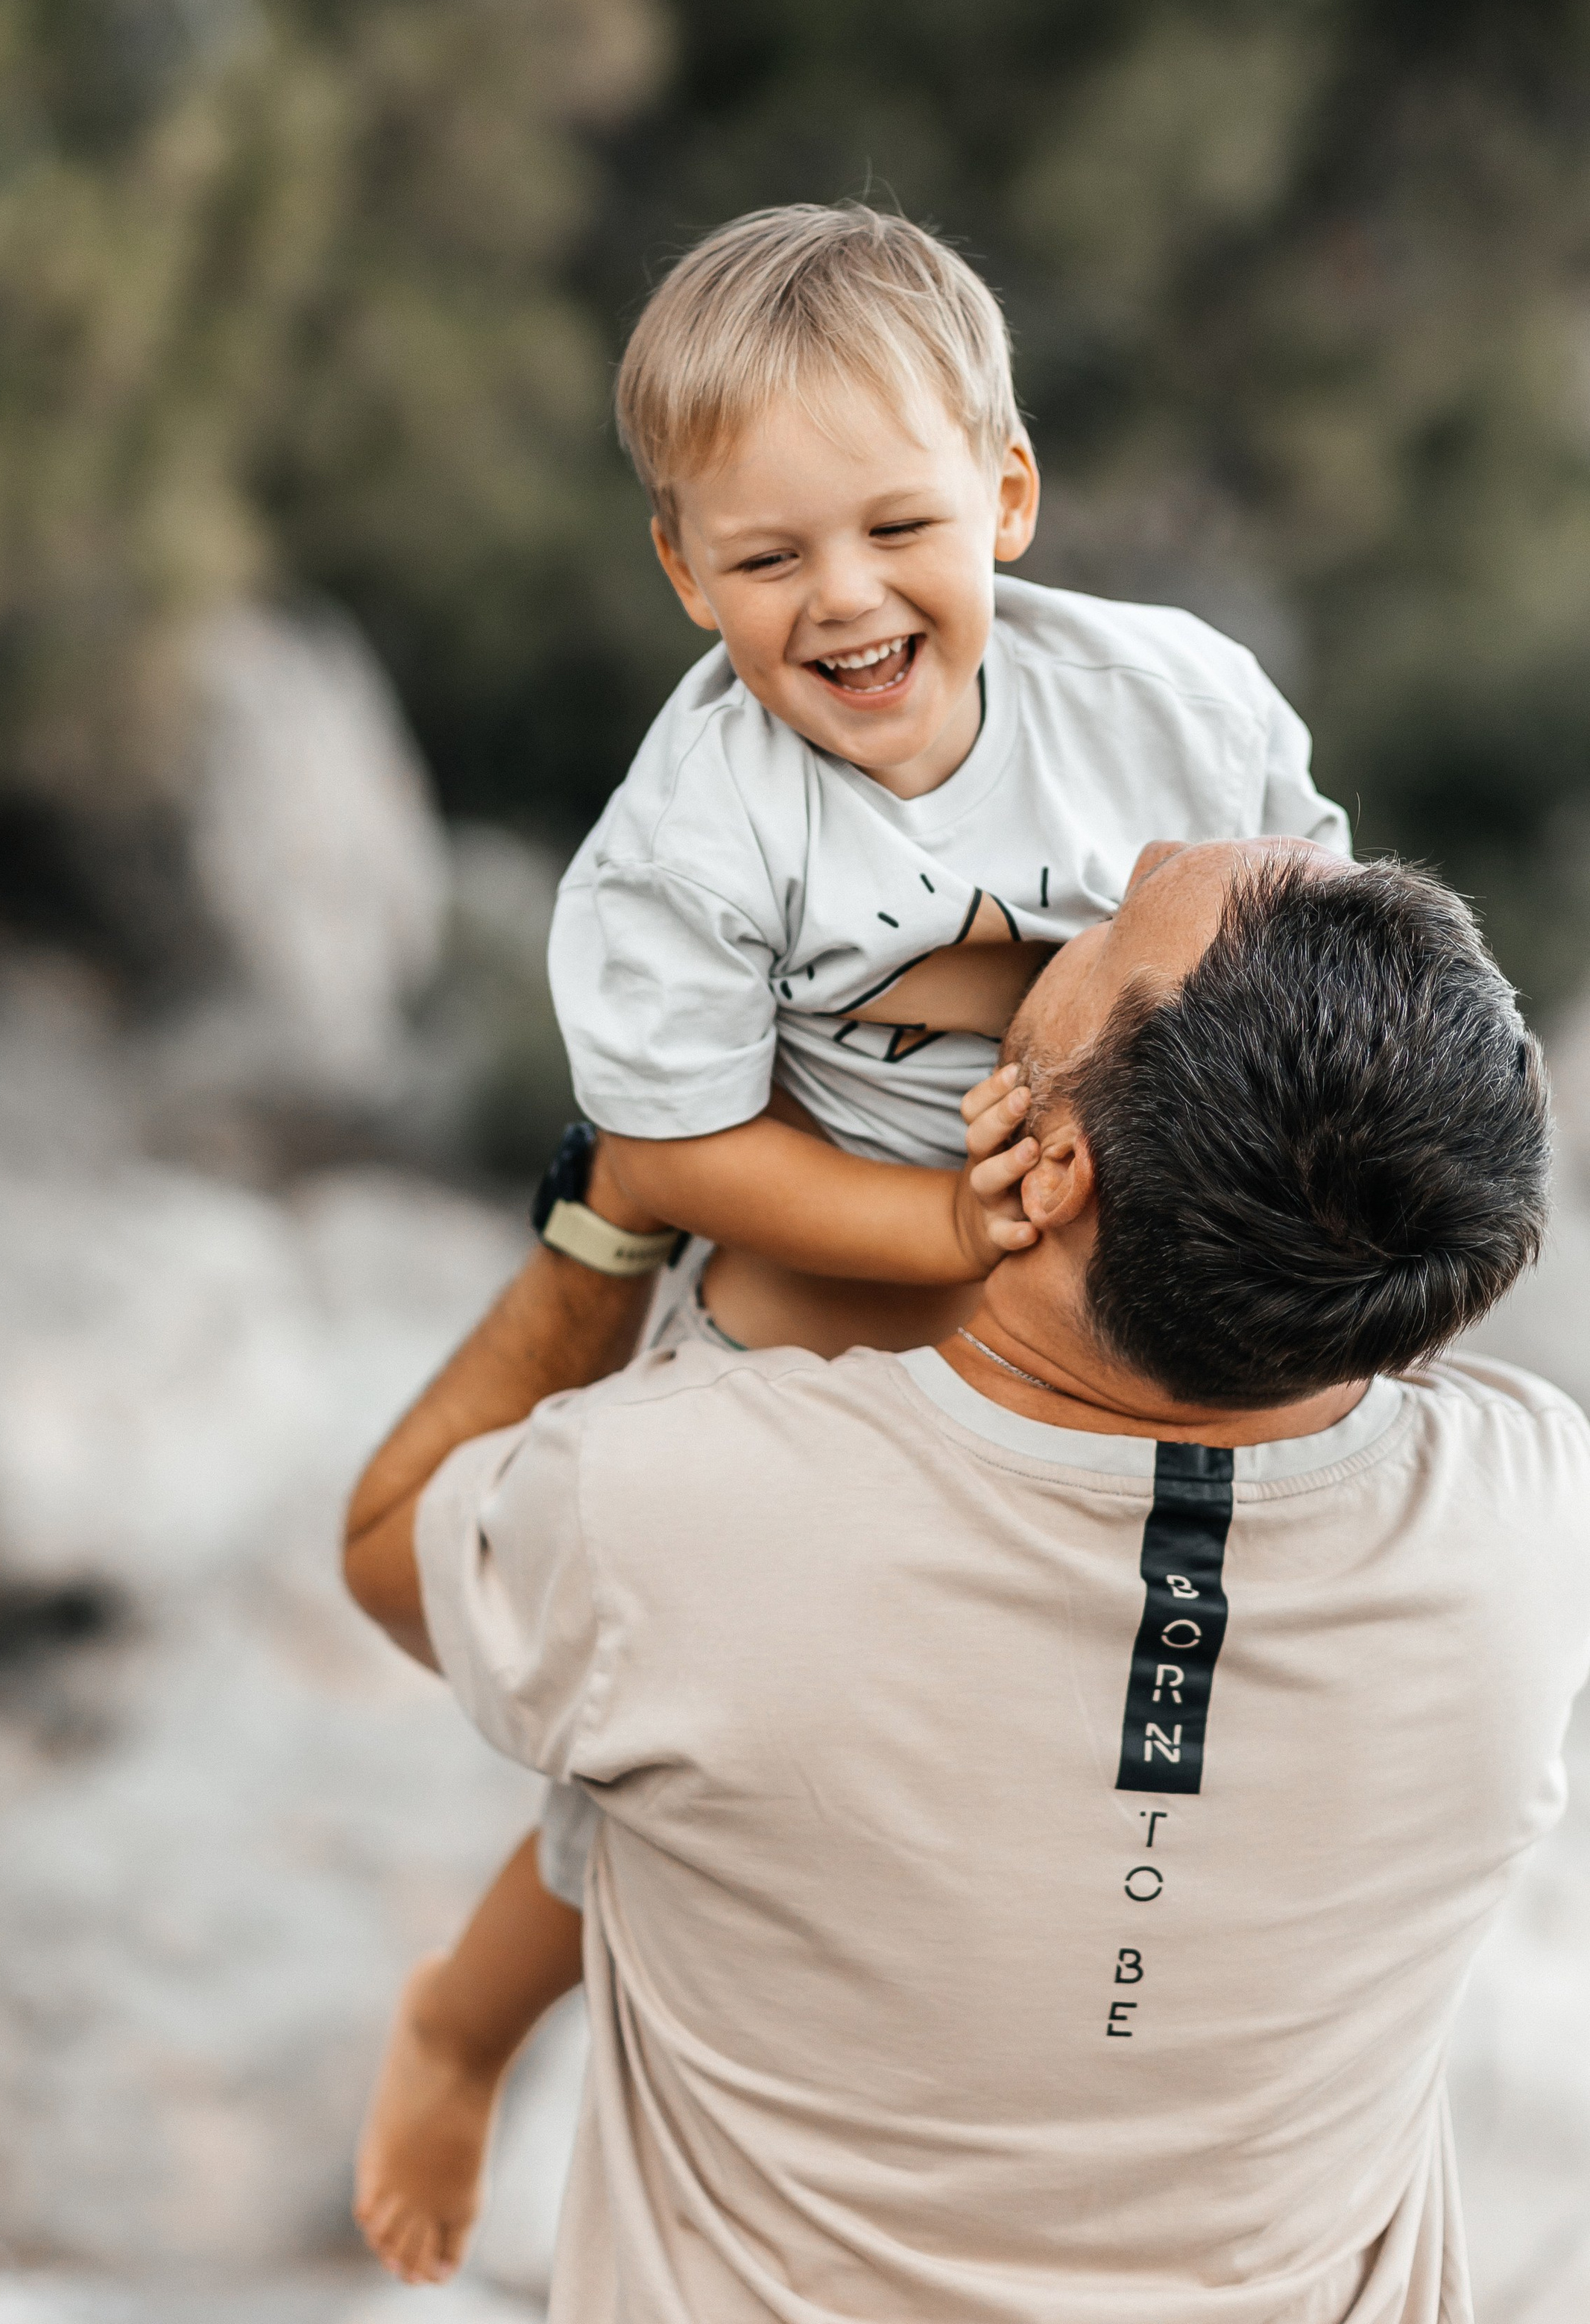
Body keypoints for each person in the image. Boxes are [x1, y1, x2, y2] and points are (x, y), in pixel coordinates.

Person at [352, 200, 1350, 2280]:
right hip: (814, 1315)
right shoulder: (690, 836)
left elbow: (1304, 954)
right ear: (678, 568)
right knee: (653, 1772)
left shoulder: (1170, 705)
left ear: (1008, 494)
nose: (844, 599)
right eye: (765, 559)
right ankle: (463, 2027)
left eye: (899, 527)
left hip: (1112, 1302)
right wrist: (932, 1228)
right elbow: (679, 1153)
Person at [344, 838, 1589, 2321]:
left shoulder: (693, 1505)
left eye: (1120, 921)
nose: (1141, 852)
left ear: (1054, 1170)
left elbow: (393, 1544)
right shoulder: (1530, 1525)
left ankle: (455, 2043)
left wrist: (617, 1193)